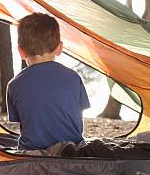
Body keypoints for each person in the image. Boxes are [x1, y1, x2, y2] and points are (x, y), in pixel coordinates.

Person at [6, 13, 90, 150]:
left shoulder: (14, 85)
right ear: (59, 47)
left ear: (21, 52)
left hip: (33, 155)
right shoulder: (74, 78)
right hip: (72, 151)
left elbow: (25, 124)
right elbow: (77, 119)